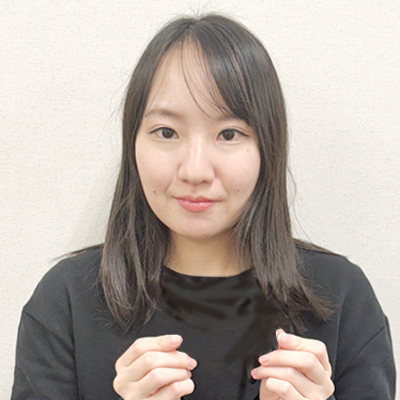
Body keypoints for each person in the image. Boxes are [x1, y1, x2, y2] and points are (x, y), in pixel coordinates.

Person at [11, 14, 395, 400]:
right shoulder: (66, 301)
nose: (195, 170)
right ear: (133, 143)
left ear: (268, 147)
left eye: (229, 134)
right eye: (166, 132)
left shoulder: (342, 299)